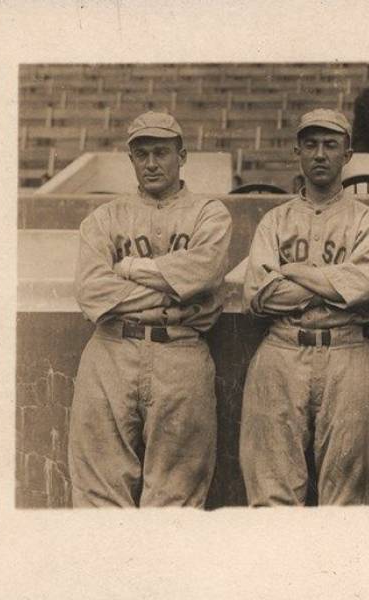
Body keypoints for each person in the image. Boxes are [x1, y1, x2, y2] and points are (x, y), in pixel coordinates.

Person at [69, 111, 233, 507]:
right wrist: (175, 292)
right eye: (141, 154)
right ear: (131, 160)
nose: (152, 163)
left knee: (176, 497)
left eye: (161, 152)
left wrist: (129, 271)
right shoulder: (104, 218)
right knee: (99, 496)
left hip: (180, 355)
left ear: (183, 156)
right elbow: (92, 291)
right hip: (111, 352)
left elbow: (204, 274)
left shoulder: (209, 213)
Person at [240, 109, 369, 506]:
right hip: (282, 350)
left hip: (347, 352)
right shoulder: (274, 221)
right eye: (310, 145)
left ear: (347, 153)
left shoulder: (367, 221)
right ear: (296, 151)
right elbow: (259, 295)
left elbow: (361, 288)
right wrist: (330, 283)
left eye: (330, 144)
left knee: (350, 498)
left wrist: (292, 272)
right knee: (272, 492)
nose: (320, 154)